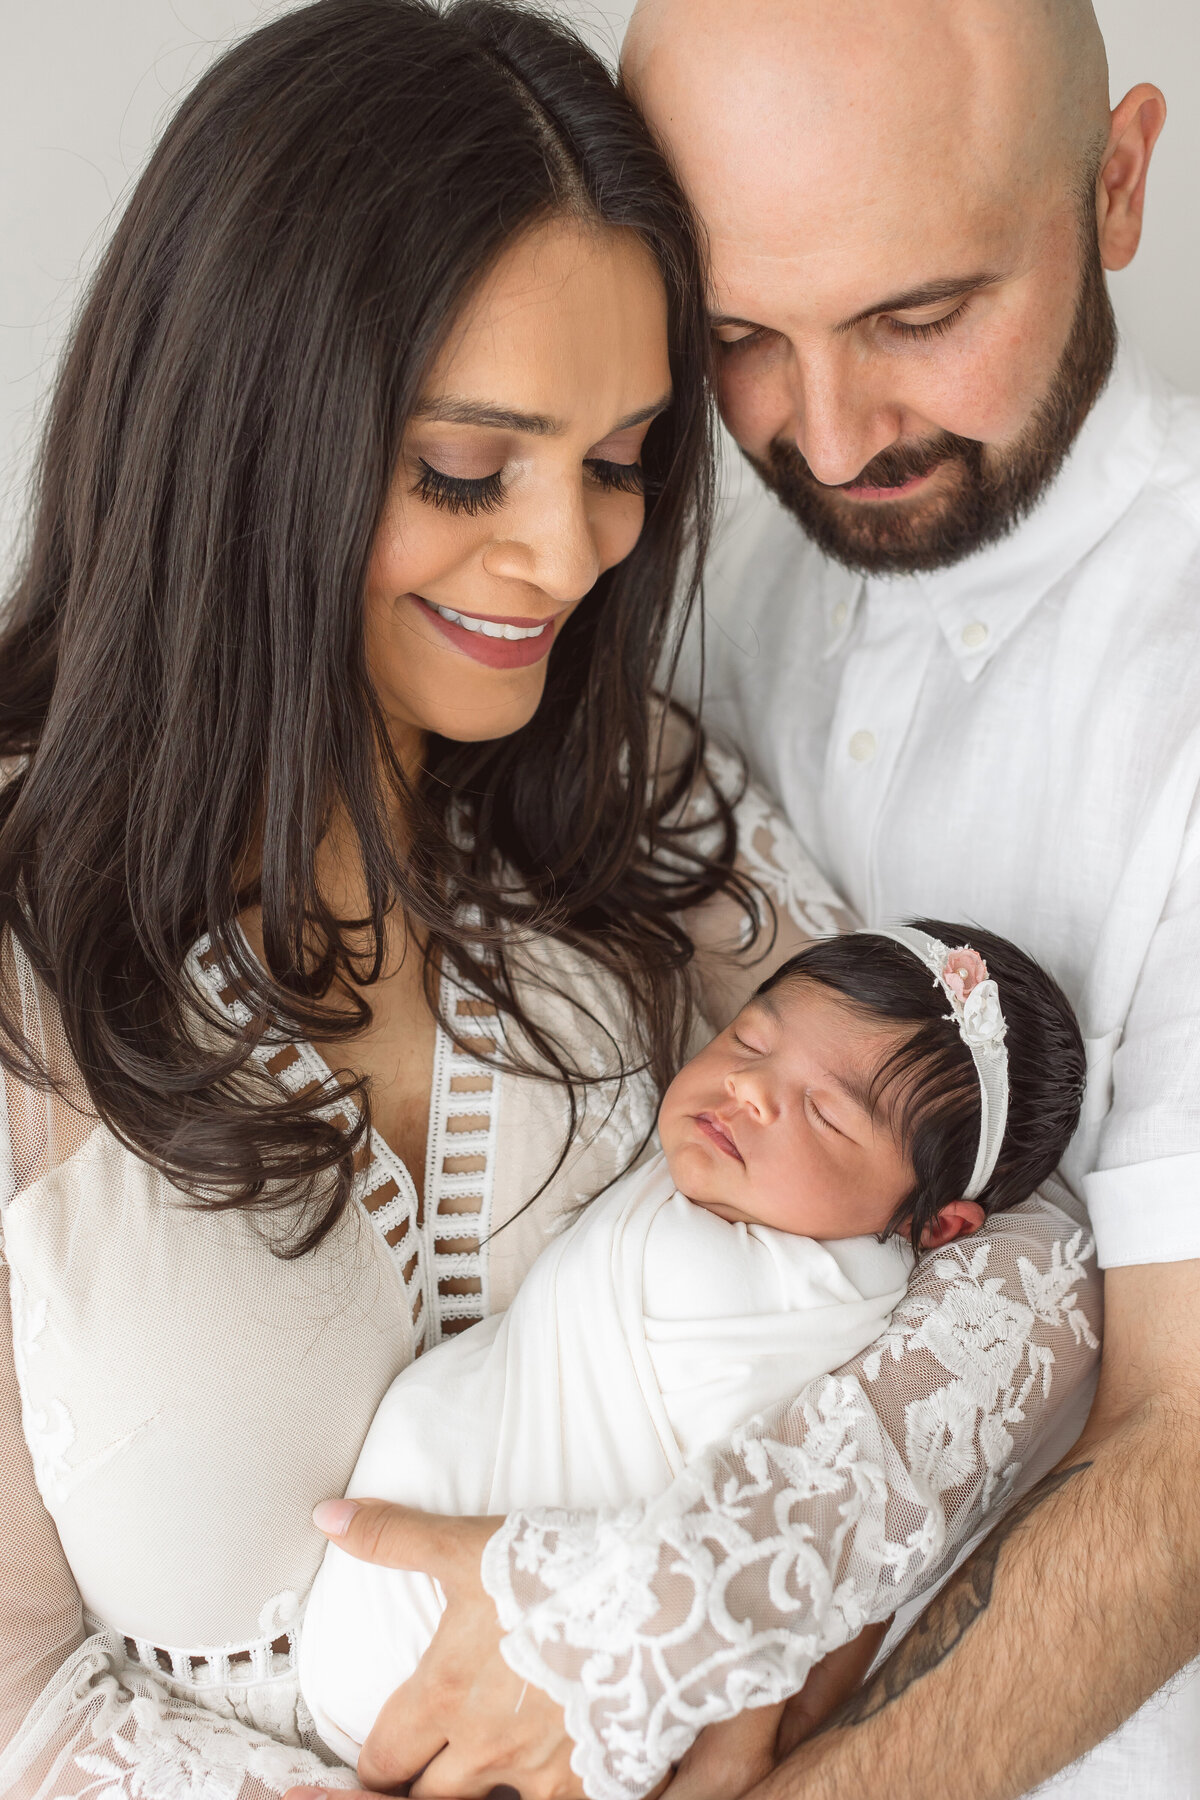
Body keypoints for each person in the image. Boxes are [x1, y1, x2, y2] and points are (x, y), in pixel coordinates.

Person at [297, 4, 1199, 1799]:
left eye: (921, 316)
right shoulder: (658, 564)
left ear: (1117, 183)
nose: (831, 431)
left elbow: (1186, 1437)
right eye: (736, 339)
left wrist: (678, 1644)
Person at [0, 3, 860, 1797]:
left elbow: (1004, 1269)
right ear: (247, 444)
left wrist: (709, 1622)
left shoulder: (633, 788)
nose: (567, 553)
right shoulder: (26, 955)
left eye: (621, 460)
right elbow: (13, 1703)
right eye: (468, 470)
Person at [299, 922, 1086, 1776]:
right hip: (416, 1649)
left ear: (932, 1226)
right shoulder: (737, 1188)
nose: (748, 1086)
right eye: (748, 1038)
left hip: (479, 1665)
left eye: (826, 1114)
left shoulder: (810, 1297)